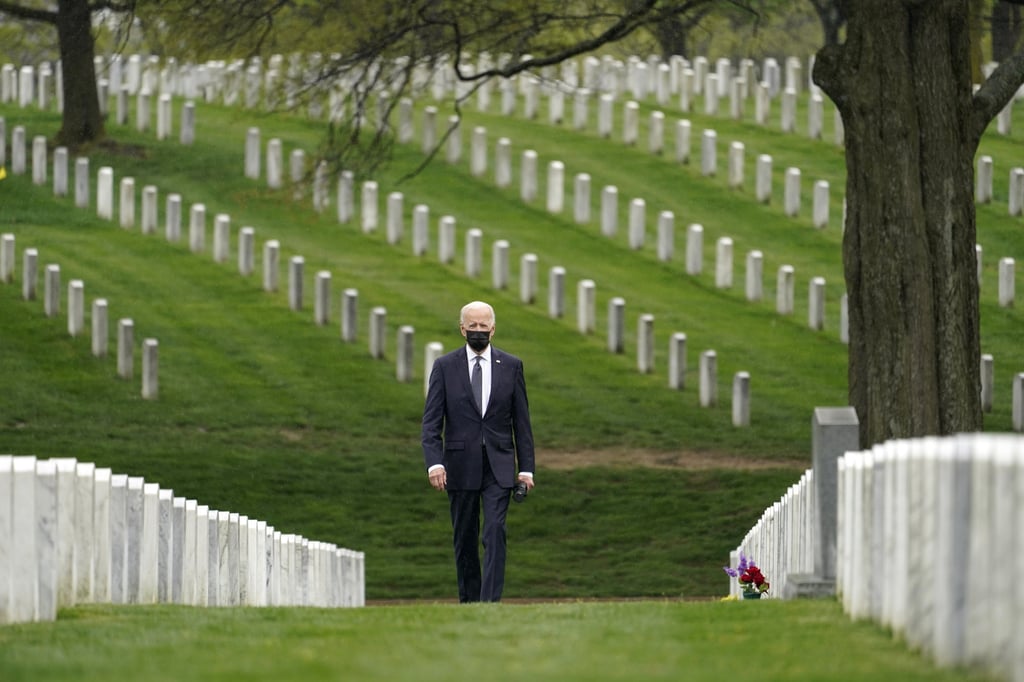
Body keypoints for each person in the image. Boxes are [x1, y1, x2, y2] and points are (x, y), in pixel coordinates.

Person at [421, 300, 535, 603]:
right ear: (462, 329)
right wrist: (435, 464)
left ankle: (490, 602)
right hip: (459, 464)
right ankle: (470, 602)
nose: (478, 331)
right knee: (465, 537)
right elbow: (431, 422)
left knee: (495, 531)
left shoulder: (511, 366)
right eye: (472, 326)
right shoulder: (445, 367)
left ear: (493, 328)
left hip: (498, 464)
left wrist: (526, 469)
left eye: (484, 326)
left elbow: (521, 423)